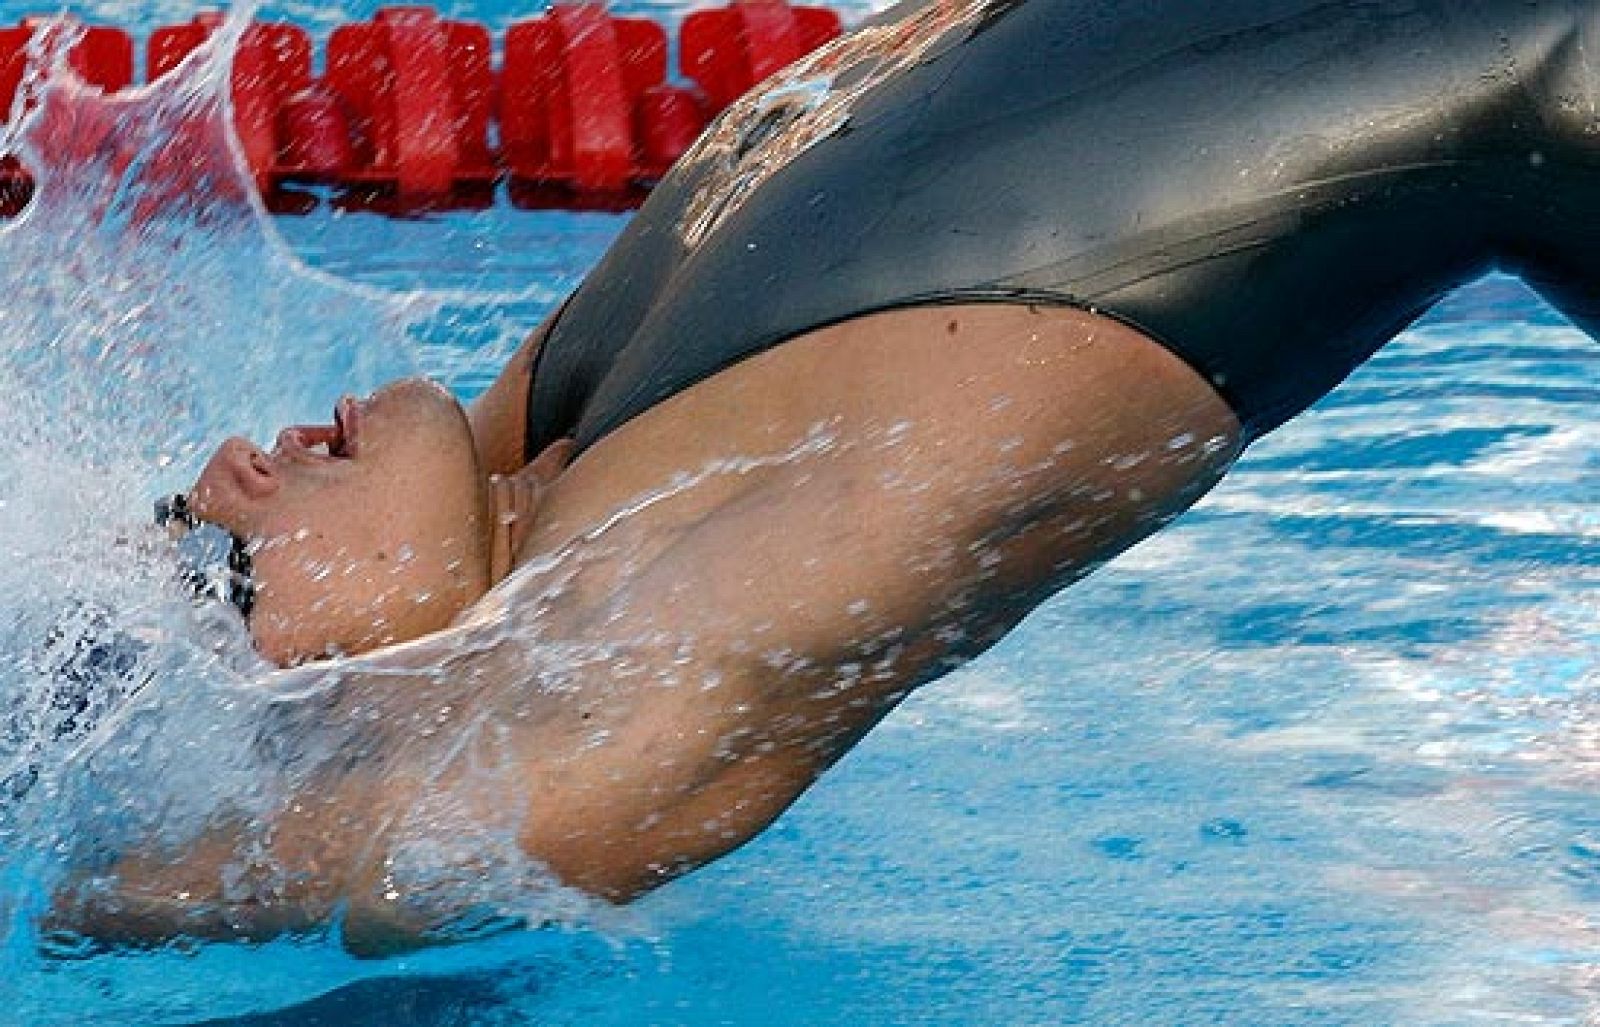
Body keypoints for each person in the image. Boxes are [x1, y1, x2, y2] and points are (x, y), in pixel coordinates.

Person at [56, 0, 1600, 952]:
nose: (224, 477)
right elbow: (402, 857)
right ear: (350, 690)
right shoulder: (656, 620)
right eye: (223, 569)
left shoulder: (554, 427)